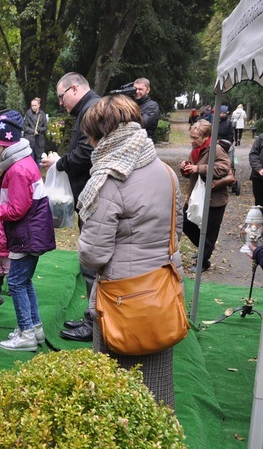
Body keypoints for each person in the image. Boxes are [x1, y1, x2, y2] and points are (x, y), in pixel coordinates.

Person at [77, 94, 182, 408]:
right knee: (158, 387)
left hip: (123, 298)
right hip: (162, 289)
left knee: (116, 389)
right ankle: (162, 445)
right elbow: (174, 232)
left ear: (102, 136)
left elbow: (93, 254)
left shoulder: (108, 181)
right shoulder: (166, 171)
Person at [0, 110, 56, 352]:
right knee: (24, 281)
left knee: (15, 282)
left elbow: (16, 210)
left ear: (5, 144)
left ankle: (25, 334)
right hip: (32, 232)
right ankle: (34, 328)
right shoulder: (22, 163)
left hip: (27, 235)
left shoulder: (17, 169)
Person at [40, 72, 100, 342]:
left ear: (74, 89)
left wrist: (59, 163)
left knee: (92, 261)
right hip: (90, 198)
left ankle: (96, 322)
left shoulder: (92, 109)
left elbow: (88, 152)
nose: (61, 103)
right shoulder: (89, 108)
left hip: (96, 199)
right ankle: (92, 316)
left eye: (61, 96)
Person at [181, 119, 232, 272]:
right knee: (184, 220)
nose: (192, 141)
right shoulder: (195, 149)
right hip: (196, 195)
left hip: (214, 198)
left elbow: (224, 167)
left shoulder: (215, 149)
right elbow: (192, 170)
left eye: (195, 138)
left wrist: (199, 168)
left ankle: (203, 262)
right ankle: (205, 248)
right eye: (191, 137)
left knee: (210, 230)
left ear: (205, 137)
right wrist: (185, 167)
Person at [23, 97, 48, 166]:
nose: (33, 107)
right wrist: (33, 131)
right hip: (30, 141)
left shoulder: (42, 114)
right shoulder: (28, 114)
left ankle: (38, 176)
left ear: (39, 105)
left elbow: (45, 127)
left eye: (35, 105)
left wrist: (39, 130)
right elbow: (25, 127)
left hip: (39, 142)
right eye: (32, 105)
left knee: (38, 160)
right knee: (30, 161)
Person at [249, 131, 263, 214]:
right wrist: (259, 168)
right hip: (258, 178)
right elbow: (253, 154)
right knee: (259, 204)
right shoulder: (261, 138)